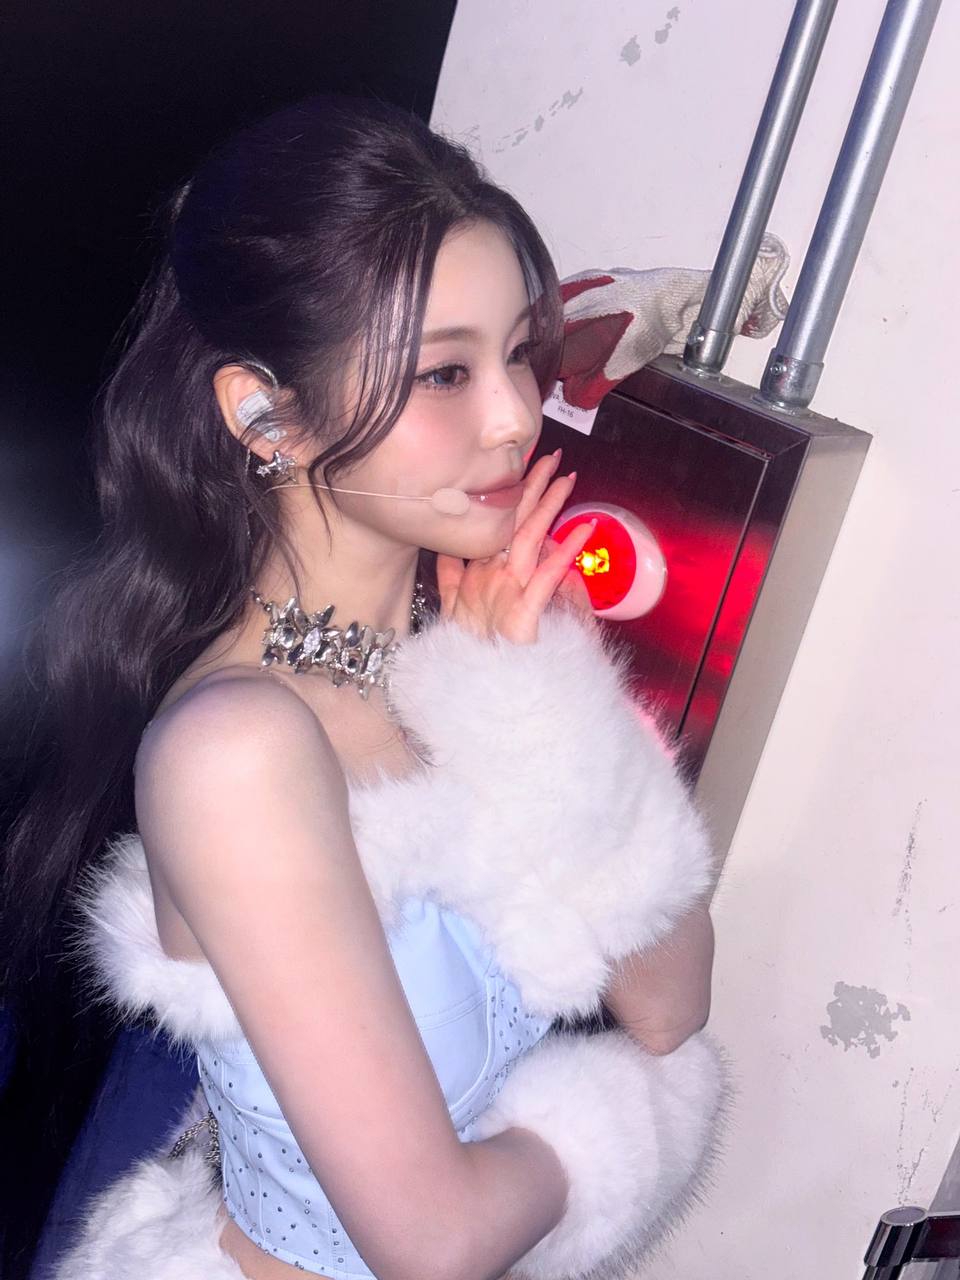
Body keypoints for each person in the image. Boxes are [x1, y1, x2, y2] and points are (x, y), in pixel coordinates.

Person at [2, 95, 721, 1280]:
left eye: (519, 354)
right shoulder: (238, 749)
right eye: (445, 373)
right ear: (266, 414)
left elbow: (669, 1002)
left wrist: (553, 699)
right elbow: (434, 1240)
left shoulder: (481, 662)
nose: (515, 415)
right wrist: (606, 1126)